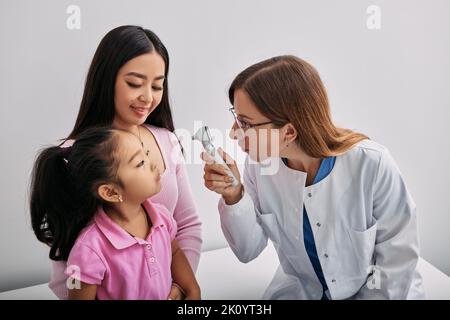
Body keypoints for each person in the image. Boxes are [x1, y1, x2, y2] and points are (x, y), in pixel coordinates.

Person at [202, 55, 424, 299]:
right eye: (236, 118)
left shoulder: (372, 164)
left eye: (244, 123)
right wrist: (234, 195)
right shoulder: (259, 167)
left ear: (288, 131)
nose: (234, 134)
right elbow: (248, 250)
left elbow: (398, 262)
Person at [48, 25, 202, 299]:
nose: (148, 97)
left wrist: (180, 287)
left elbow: (187, 225)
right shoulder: (74, 156)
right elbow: (66, 260)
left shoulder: (167, 140)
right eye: (134, 83)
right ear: (107, 80)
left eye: (157, 85)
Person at [30, 127, 201, 299]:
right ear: (111, 192)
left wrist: (192, 289)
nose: (153, 163)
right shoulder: (90, 249)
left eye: (146, 153)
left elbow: (175, 252)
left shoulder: (161, 217)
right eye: (140, 162)